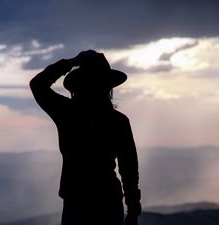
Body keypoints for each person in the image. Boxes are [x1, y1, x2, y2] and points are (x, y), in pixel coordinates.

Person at [30, 50, 141, 225]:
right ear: (108, 86)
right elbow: (129, 168)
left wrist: (71, 62)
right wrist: (133, 209)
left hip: (77, 201)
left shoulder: (67, 113)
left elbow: (37, 85)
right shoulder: (118, 121)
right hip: (107, 202)